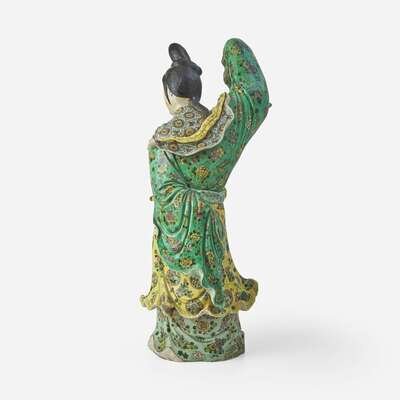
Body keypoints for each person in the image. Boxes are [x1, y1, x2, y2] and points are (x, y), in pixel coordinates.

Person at [141, 38, 270, 362]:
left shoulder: (163, 140)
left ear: (169, 94)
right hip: (211, 223)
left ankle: (180, 343)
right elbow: (255, 98)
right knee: (214, 273)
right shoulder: (224, 127)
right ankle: (221, 340)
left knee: (183, 281)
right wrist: (234, 49)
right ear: (197, 93)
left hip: (177, 235)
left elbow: (164, 193)